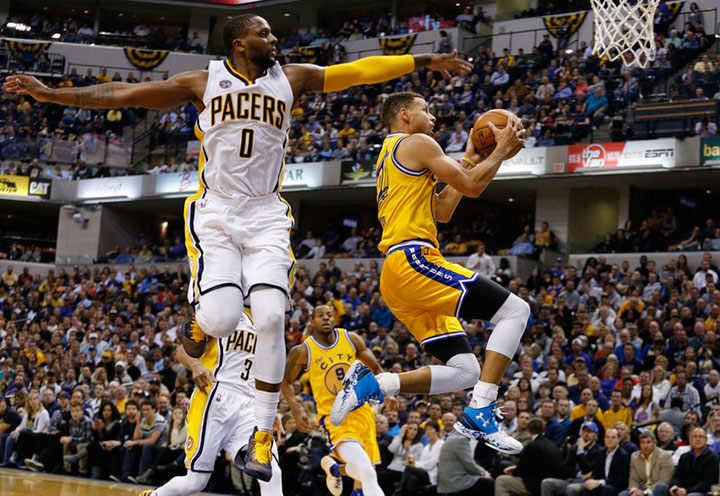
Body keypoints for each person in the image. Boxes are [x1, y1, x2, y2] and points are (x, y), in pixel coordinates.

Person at [4, 15, 472, 481]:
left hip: (267, 213)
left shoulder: (291, 78)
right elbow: (124, 94)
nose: (275, 39)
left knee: (270, 319)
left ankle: (262, 438)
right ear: (240, 43)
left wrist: (425, 58)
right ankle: (199, 321)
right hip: (218, 213)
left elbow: (361, 71)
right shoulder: (203, 81)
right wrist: (50, 94)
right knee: (225, 318)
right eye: (265, 34)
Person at [332, 91, 529, 455]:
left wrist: (472, 157)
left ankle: (373, 385)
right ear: (405, 115)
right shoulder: (417, 142)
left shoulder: (394, 154)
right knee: (516, 311)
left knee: (465, 370)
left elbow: (442, 209)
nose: (434, 117)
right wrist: (499, 150)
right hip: (413, 260)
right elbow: (471, 187)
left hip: (398, 273)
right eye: (427, 110)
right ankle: (482, 409)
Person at [137, 312, 282, 496]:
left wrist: (269, 412)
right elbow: (181, 352)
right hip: (215, 395)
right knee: (195, 482)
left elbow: (268, 376)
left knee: (272, 473)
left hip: (249, 403)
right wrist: (196, 365)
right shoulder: (224, 310)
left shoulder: (267, 325)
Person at [282, 305, 384, 496]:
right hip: (335, 418)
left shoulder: (351, 340)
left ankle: (334, 469)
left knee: (363, 476)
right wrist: (296, 411)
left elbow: (377, 369)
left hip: (363, 414)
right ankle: (334, 469)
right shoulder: (304, 350)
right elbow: (285, 381)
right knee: (367, 472)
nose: (326, 318)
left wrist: (390, 393)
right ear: (311, 322)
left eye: (329, 315)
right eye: (320, 316)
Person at [495, 418, 565, 496]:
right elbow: (538, 465)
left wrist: (513, 471)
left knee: (501, 480)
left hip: (535, 486)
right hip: (552, 484)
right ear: (543, 430)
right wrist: (515, 468)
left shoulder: (533, 446)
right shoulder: (552, 445)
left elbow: (521, 470)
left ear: (529, 430)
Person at [668, 427, 719, 496]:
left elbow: (707, 483)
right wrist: (674, 485)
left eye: (701, 436)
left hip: (701, 492)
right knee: (661, 487)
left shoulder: (713, 458)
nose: (698, 439)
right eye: (694, 436)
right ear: (689, 439)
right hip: (681, 490)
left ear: (706, 440)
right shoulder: (684, 457)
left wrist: (687, 491)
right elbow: (676, 476)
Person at [619, 432, 673, 496]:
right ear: (639, 444)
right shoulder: (634, 457)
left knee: (660, 486)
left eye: (648, 442)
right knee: (623, 494)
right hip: (641, 489)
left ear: (654, 444)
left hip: (655, 490)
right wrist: (634, 490)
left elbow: (664, 480)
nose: (646, 445)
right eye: (642, 442)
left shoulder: (665, 456)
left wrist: (645, 493)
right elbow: (633, 479)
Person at [583, 428, 630, 496]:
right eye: (607, 437)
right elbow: (596, 473)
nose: (609, 440)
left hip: (617, 487)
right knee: (588, 487)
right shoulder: (601, 453)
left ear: (618, 440)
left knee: (606, 489)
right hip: (602, 485)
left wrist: (601, 482)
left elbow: (621, 481)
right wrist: (592, 480)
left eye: (613, 437)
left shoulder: (624, 456)